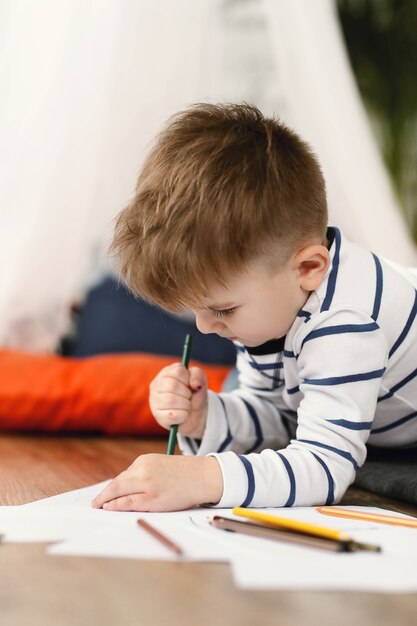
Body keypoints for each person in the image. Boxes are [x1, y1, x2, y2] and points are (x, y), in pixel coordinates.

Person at [92, 103, 417, 512]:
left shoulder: (346, 323)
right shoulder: (279, 300)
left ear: (310, 267)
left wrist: (204, 477)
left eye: (223, 310)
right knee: (230, 391)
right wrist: (204, 417)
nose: (206, 327)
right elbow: (279, 415)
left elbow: (325, 468)